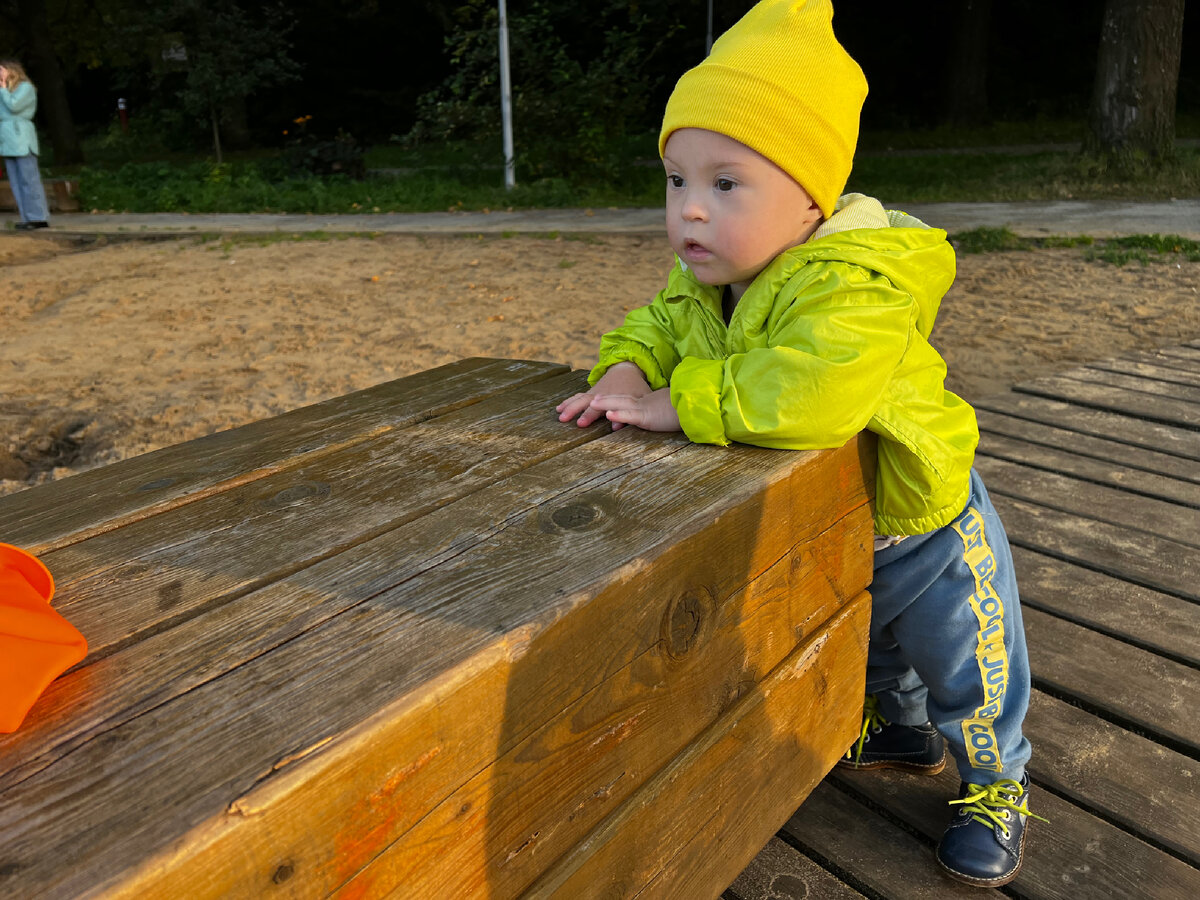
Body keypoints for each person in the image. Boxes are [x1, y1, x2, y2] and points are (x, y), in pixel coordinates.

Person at [555, 0, 1041, 888]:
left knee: (967, 657)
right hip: (842, 523)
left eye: (725, 184)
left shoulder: (857, 282)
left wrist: (680, 402)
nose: (690, 211)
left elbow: (814, 394)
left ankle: (996, 781)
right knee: (871, 645)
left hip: (926, 523)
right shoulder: (715, 275)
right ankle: (897, 729)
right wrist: (626, 370)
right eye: (675, 180)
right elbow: (657, 322)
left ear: (811, 197)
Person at [0, 59, 50, 230]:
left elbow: (14, 106)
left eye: (1, 70)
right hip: (7, 140)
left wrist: (4, 88)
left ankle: (38, 217)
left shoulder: (25, 88)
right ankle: (27, 217)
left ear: (11, 71)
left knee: (29, 179)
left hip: (21, 137)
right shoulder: (3, 91)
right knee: (15, 181)